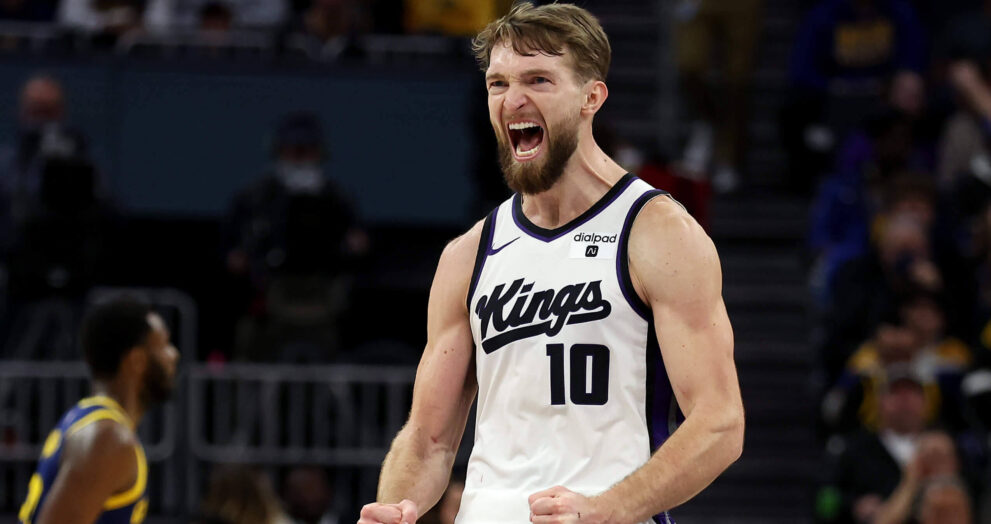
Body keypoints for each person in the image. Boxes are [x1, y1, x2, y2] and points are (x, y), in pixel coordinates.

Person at [358, 3, 744, 524]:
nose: (513, 99)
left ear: (592, 97)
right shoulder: (468, 254)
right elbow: (428, 441)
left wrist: (608, 509)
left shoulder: (656, 232)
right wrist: (395, 508)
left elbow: (719, 424)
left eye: (538, 80)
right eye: (498, 84)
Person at [17, 297, 180, 524]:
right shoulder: (108, 438)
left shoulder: (88, 418)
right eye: (164, 345)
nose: (174, 354)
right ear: (137, 360)